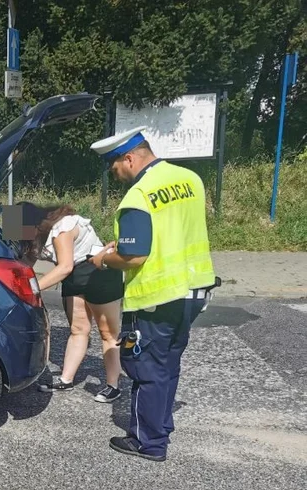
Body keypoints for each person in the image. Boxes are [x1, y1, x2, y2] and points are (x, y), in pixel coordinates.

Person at [88, 126, 217, 462]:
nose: (113, 173)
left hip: (156, 296)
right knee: (168, 364)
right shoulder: (190, 179)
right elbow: (171, 229)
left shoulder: (138, 196)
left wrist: (103, 259)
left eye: (113, 166)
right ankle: (161, 427)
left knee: (145, 368)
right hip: (194, 288)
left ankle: (148, 443)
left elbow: (135, 257)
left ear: (129, 158)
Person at [18, 203, 124, 402]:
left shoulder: (62, 227)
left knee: (108, 333)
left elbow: (64, 266)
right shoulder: (34, 235)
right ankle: (66, 379)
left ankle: (113, 386)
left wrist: (31, 288)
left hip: (98, 274)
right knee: (78, 329)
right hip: (74, 276)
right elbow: (26, 262)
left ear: (33, 225)